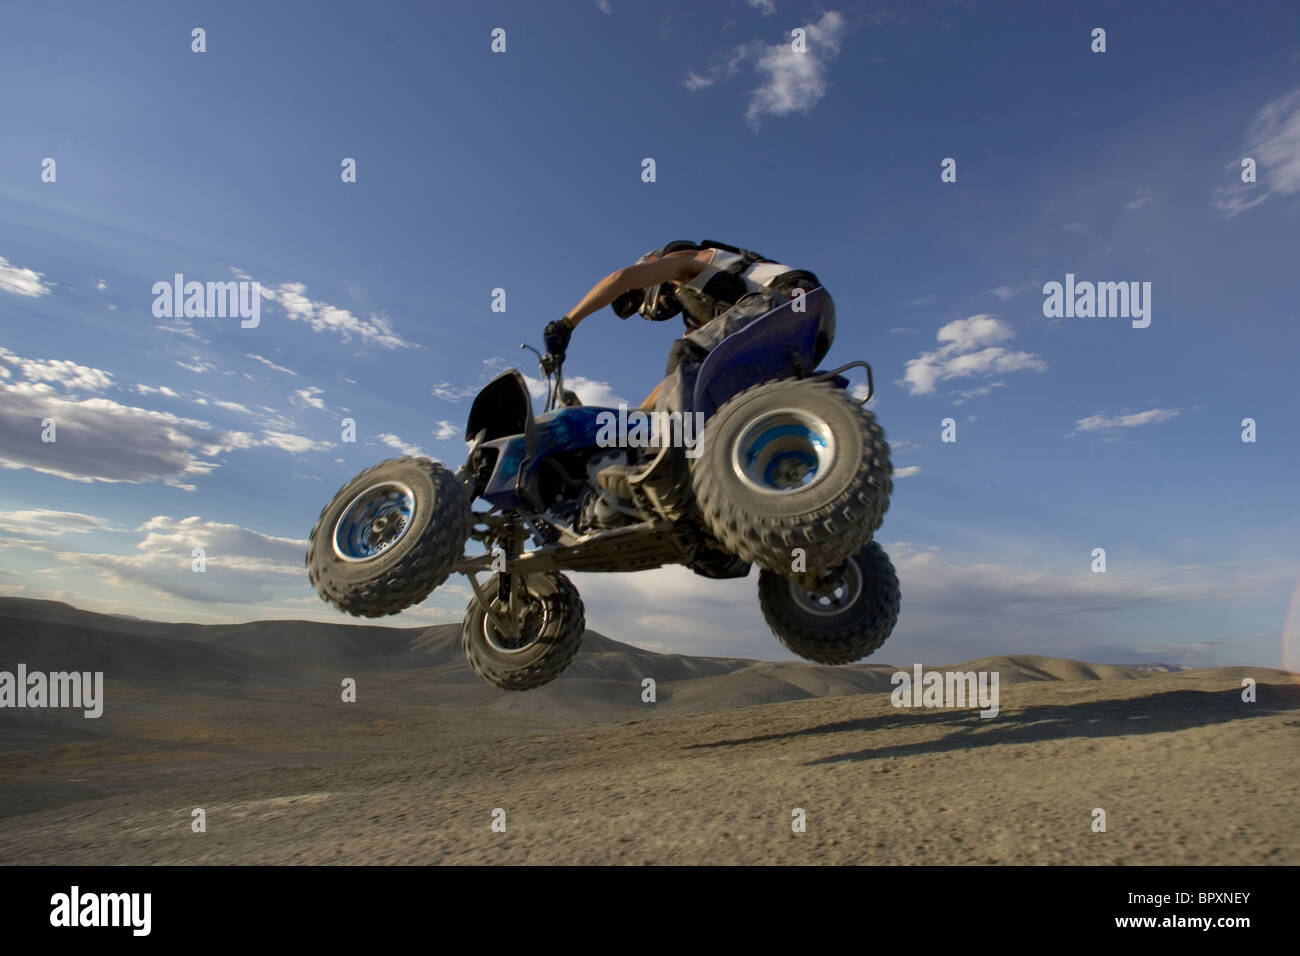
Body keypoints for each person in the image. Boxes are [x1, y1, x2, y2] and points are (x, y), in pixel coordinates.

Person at [542, 240, 831, 496]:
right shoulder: (701, 321)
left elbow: (621, 279)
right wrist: (637, 418)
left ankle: (669, 466)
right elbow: (678, 379)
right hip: (804, 338)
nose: (653, 310)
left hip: (791, 299)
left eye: (642, 299)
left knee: (688, 355)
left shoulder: (689, 259)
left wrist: (567, 323)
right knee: (701, 381)